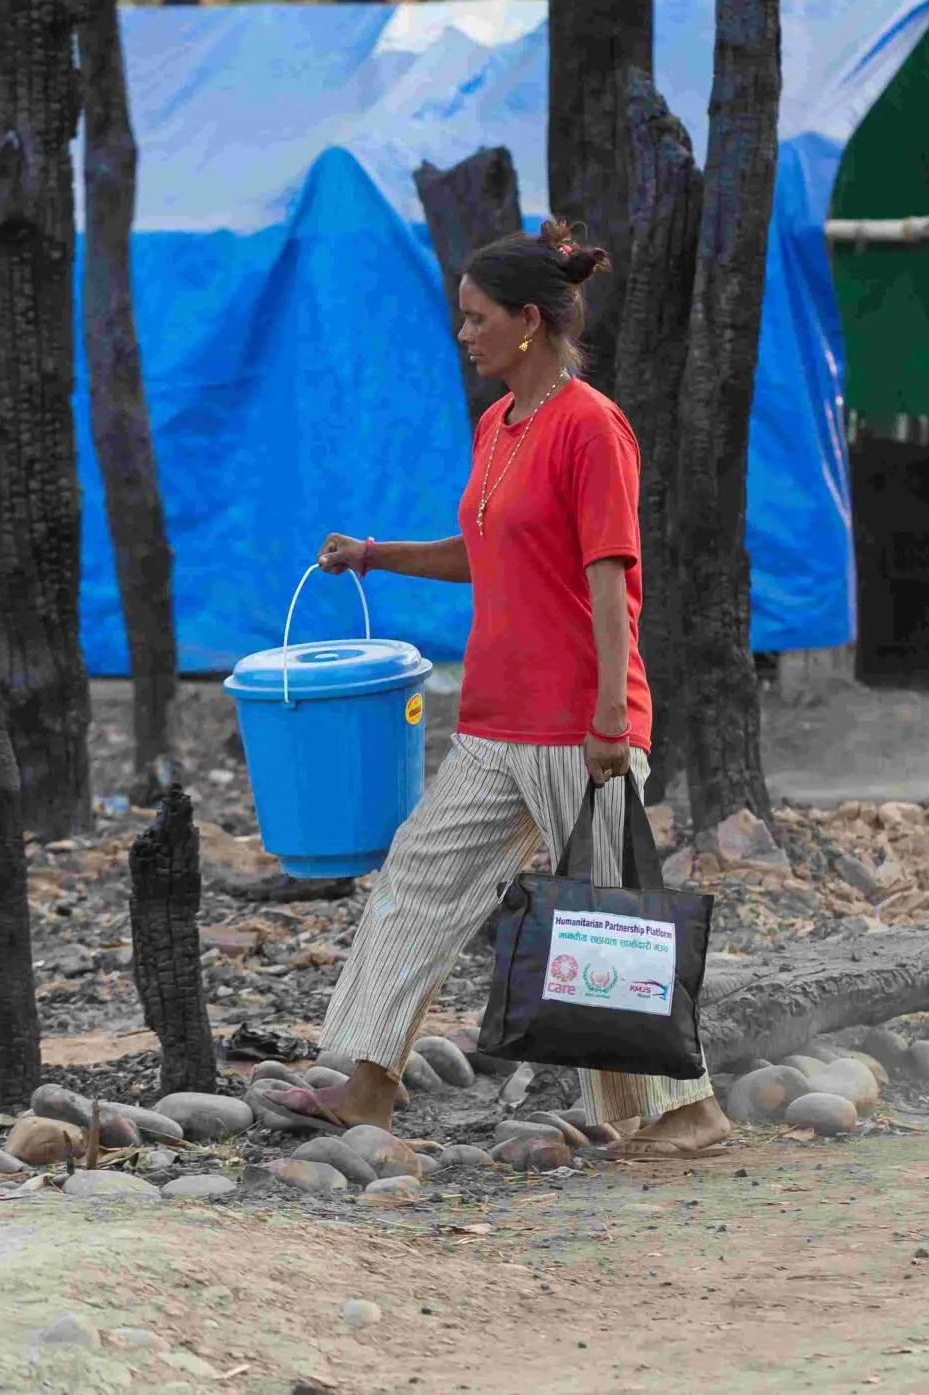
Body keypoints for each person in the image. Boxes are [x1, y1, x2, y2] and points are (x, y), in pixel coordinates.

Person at [248, 220, 731, 1159]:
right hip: (495, 719)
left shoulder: (592, 425)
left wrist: (605, 717)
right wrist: (377, 555)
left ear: (529, 322)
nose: (463, 334)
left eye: (476, 318)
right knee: (418, 881)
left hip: (575, 721)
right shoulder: (497, 424)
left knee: (607, 922)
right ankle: (370, 1083)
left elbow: (608, 576)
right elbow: (485, 550)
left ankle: (686, 1112)